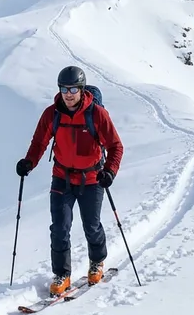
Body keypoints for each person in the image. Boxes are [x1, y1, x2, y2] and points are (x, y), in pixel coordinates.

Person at [16, 66, 123, 296]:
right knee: (59, 227)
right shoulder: (52, 114)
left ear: (82, 89)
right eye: (64, 88)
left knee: (91, 226)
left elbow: (115, 146)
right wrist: (29, 162)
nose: (68, 93)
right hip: (62, 178)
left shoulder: (97, 114)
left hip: (92, 179)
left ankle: (97, 261)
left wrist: (110, 172)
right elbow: (39, 143)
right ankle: (62, 274)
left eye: (73, 88)